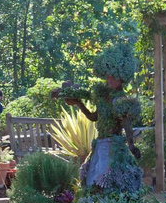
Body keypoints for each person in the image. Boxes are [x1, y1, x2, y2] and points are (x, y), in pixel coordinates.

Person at [53, 42, 142, 193]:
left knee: (109, 180)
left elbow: (127, 124)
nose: (109, 80)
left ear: (122, 77)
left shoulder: (121, 100)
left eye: (113, 77)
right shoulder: (103, 96)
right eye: (107, 77)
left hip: (114, 145)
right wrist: (78, 103)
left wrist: (131, 146)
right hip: (100, 145)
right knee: (93, 180)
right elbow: (93, 117)